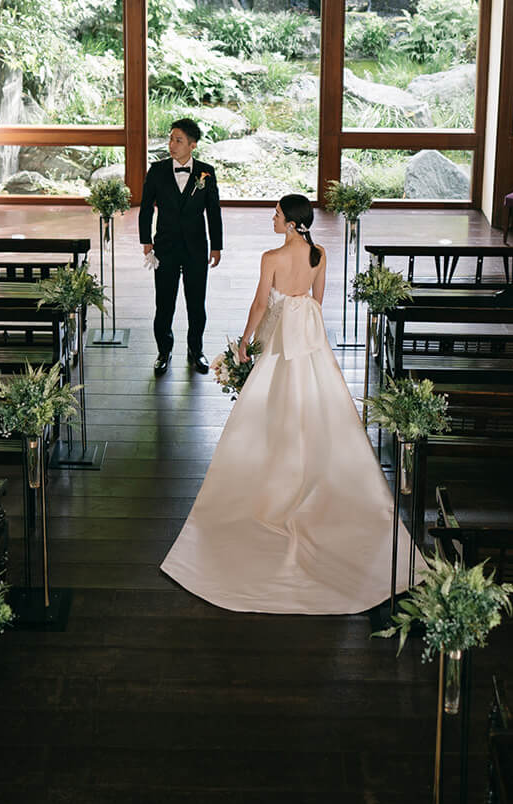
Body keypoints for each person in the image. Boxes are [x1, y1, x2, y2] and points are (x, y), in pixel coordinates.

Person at [161, 194, 414, 614]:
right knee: (317, 406)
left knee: (270, 409)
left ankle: (276, 482)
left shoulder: (271, 257)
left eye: (277, 215)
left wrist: (246, 343)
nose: (272, 219)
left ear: (293, 223)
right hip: (310, 343)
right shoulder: (320, 255)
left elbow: (262, 305)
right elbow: (315, 302)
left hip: (281, 346)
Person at [139, 118, 223, 376]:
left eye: (178, 140)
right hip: (164, 247)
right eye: (171, 139)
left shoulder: (206, 172)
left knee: (197, 303)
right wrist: (146, 241)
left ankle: (195, 350)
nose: (171, 145)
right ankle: (163, 351)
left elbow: (213, 212)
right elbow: (144, 208)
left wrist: (216, 246)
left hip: (197, 248)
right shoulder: (157, 170)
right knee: (164, 303)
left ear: (192, 145)